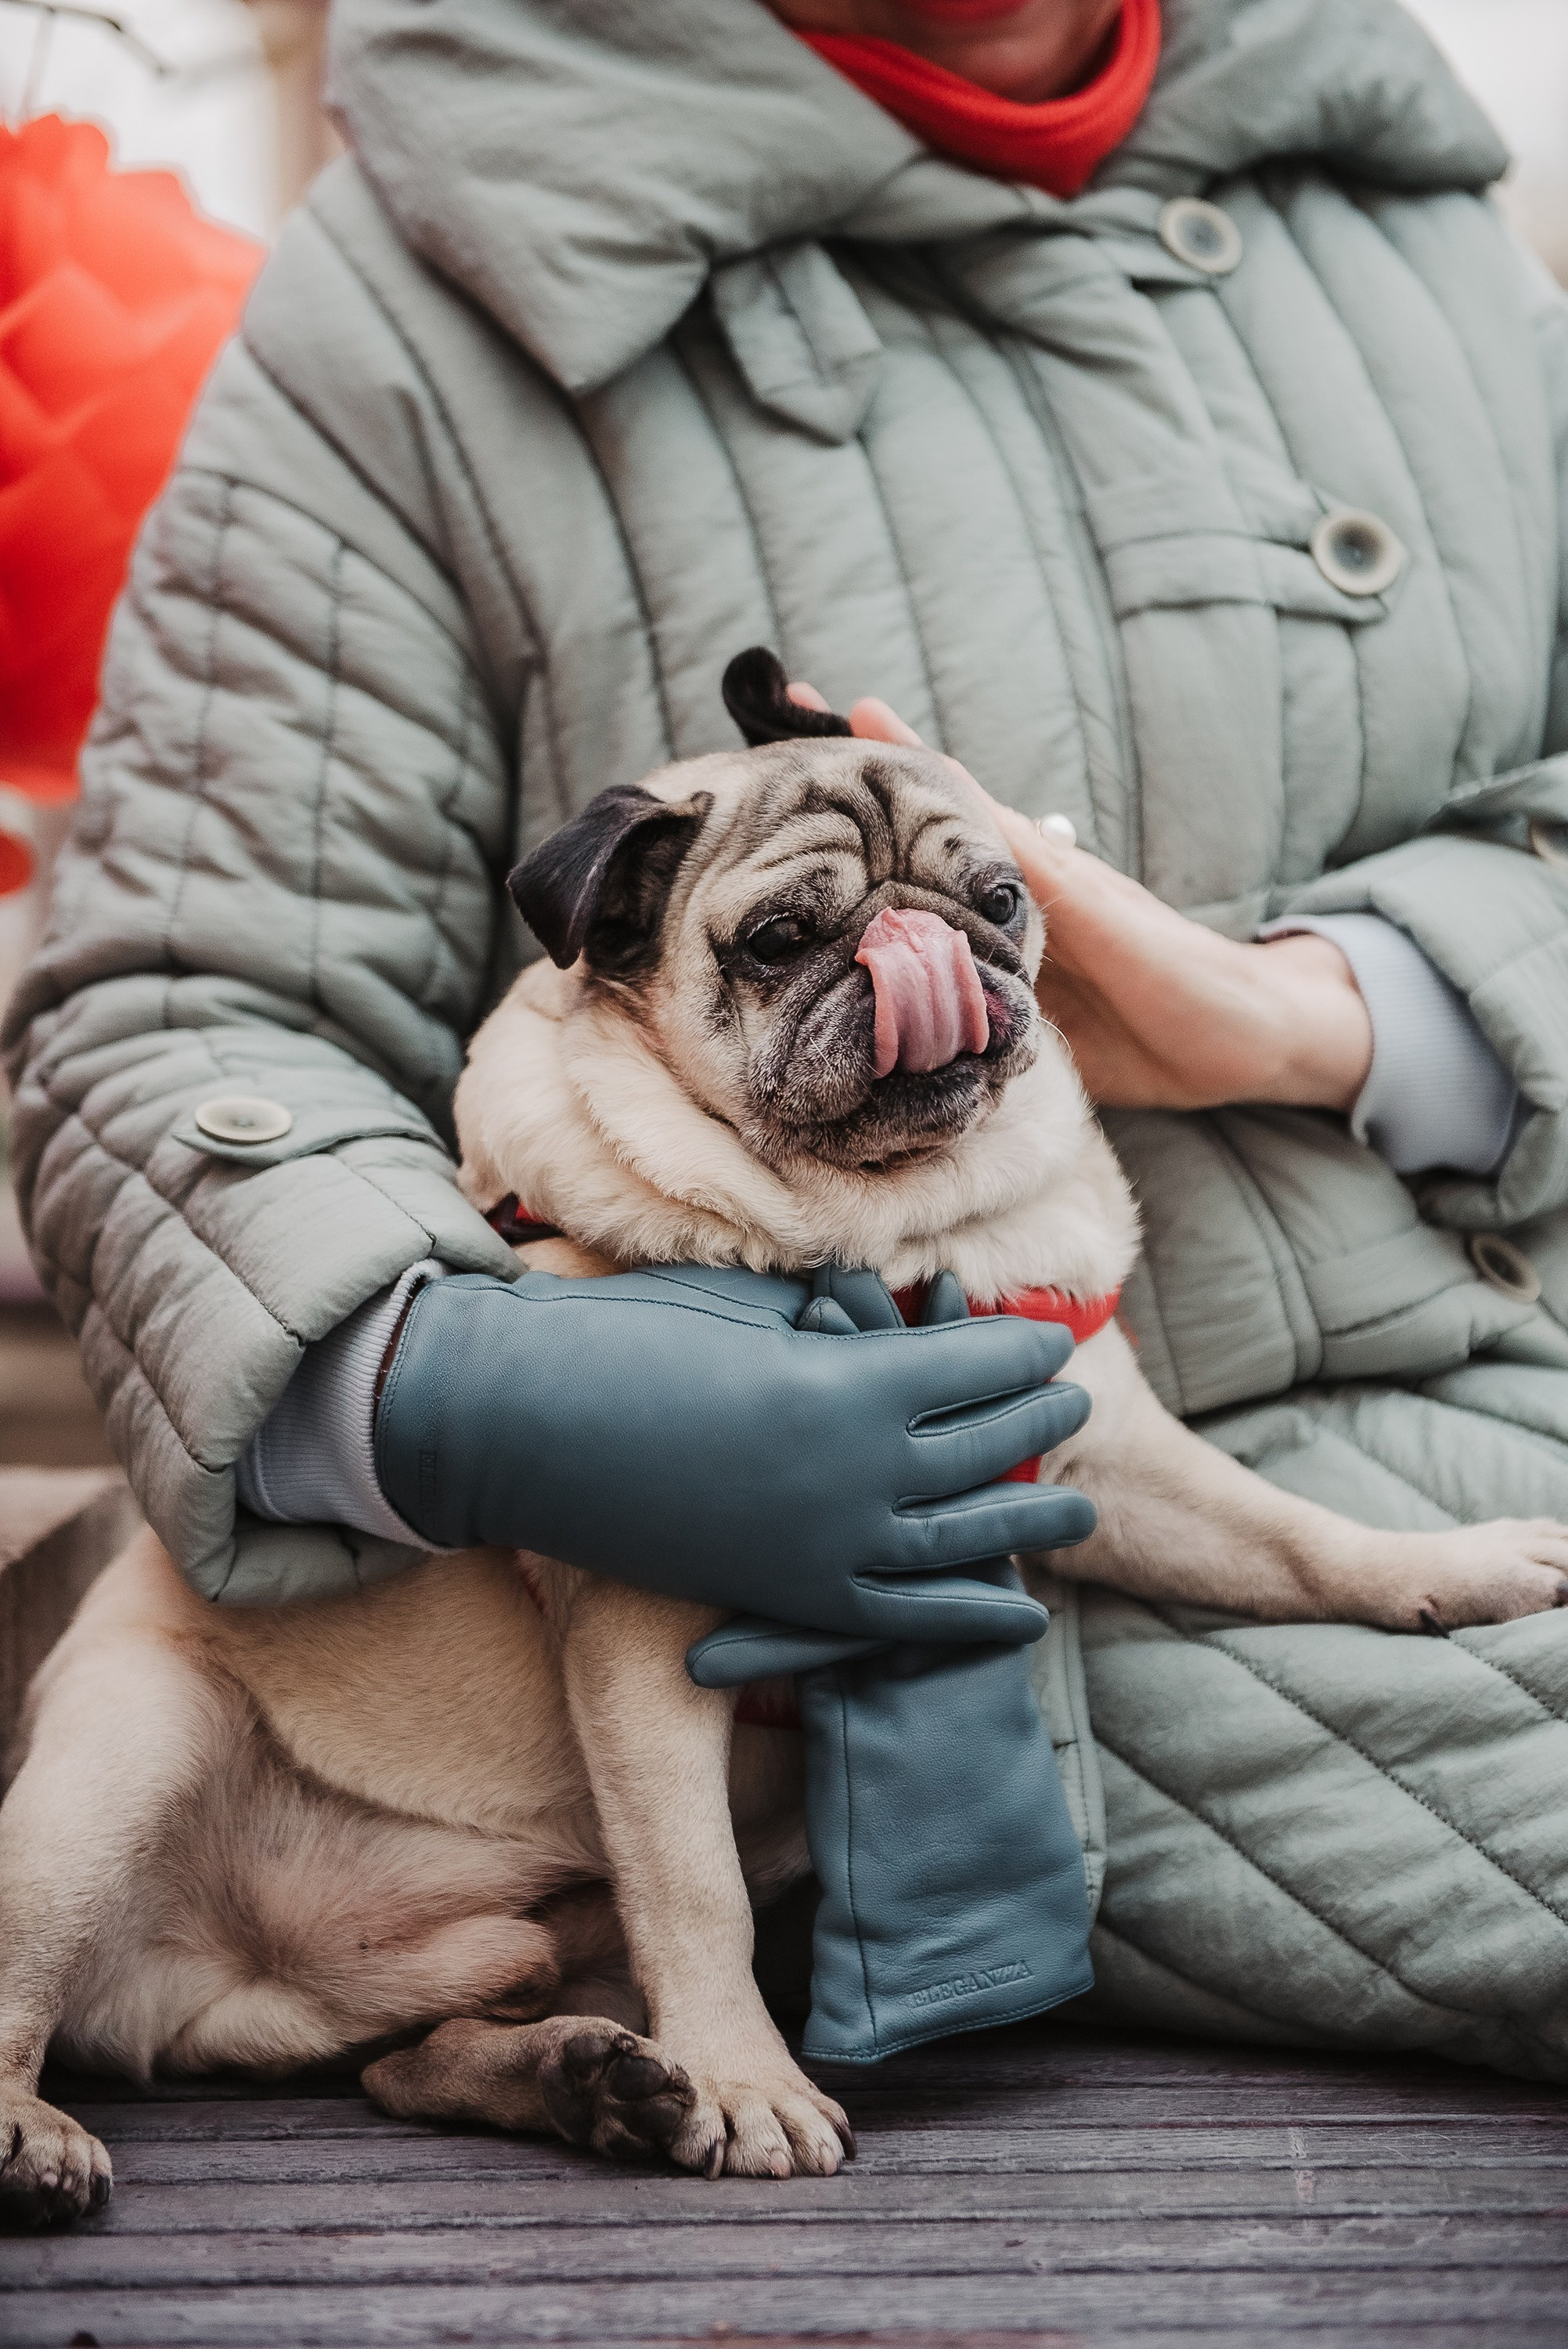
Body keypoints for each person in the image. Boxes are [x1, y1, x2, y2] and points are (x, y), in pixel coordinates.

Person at [8, 0, 1568, 2077]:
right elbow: (176, 1001)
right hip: (1017, 1646)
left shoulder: (1429, 206)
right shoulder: (407, 299)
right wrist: (436, 1386)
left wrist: (1328, 1005)